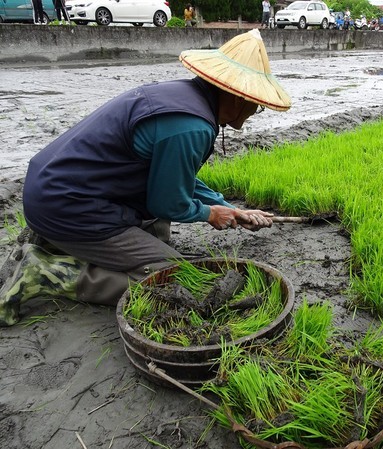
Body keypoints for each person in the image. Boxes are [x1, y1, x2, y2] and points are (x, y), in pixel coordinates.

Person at [0, 29, 292, 327]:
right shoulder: (192, 127)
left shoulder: (182, 97)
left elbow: (177, 177)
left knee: (159, 233)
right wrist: (209, 214)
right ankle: (45, 273)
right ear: (236, 95)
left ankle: (57, 241)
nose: (257, 109)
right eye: (255, 101)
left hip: (53, 189)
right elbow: (169, 203)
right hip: (67, 206)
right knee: (174, 278)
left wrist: (226, 206)